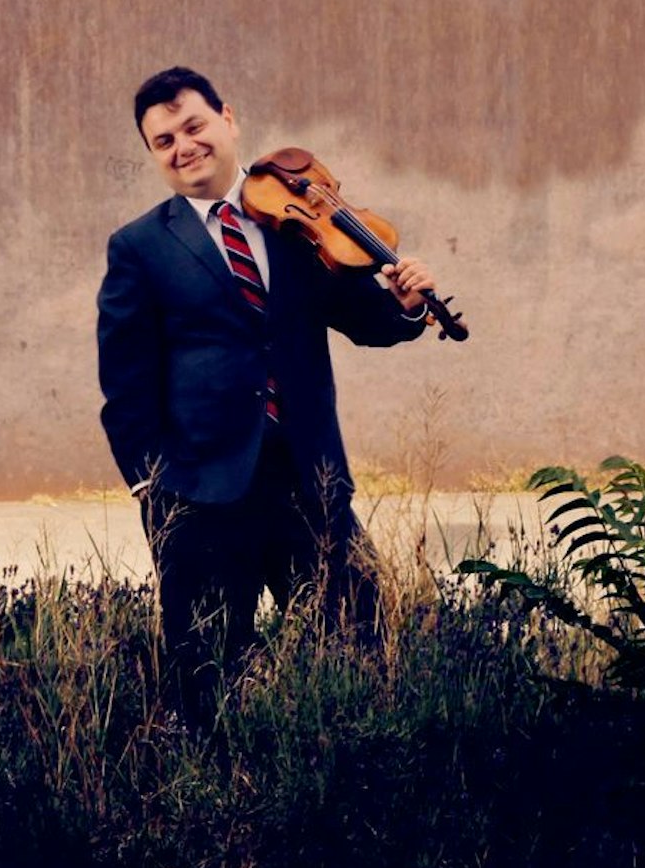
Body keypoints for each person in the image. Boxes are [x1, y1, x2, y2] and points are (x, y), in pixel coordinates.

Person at [97, 66, 438, 721]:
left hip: (309, 477)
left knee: (361, 656)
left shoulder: (293, 225)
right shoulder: (139, 246)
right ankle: (223, 811)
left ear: (227, 119)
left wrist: (405, 306)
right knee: (208, 683)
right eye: (163, 141)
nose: (183, 146)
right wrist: (152, 489)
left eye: (193, 126)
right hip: (200, 493)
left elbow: (364, 321)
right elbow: (124, 383)